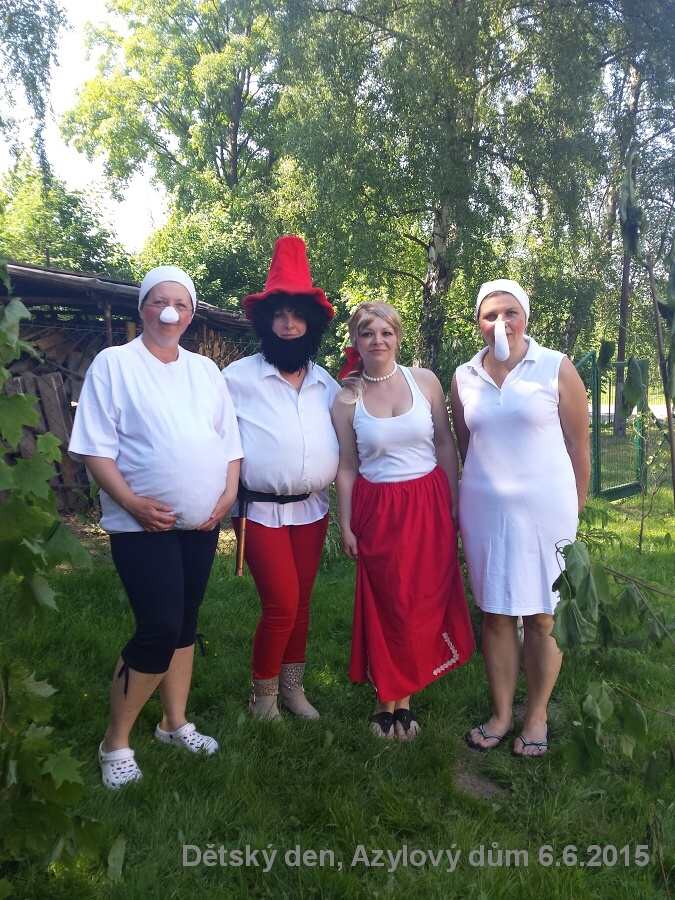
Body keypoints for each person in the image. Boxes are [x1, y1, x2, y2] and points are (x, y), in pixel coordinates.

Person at [69, 265, 242, 789]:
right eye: (159, 302)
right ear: (142, 307)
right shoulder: (115, 364)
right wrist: (131, 503)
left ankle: (173, 723)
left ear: (191, 314)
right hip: (140, 525)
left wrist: (227, 495)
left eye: (181, 304)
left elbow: (229, 443)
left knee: (185, 622)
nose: (170, 312)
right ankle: (115, 742)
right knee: (159, 627)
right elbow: (95, 447)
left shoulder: (205, 371)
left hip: (201, 523)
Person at [451, 278, 590, 757]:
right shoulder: (464, 375)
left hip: (546, 511)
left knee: (542, 616)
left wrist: (576, 505)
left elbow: (578, 445)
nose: (501, 322)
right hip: (485, 511)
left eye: (510, 312)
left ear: (525, 317)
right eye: (489, 315)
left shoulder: (555, 366)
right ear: (478, 323)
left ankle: (536, 715)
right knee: (495, 613)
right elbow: (467, 444)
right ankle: (501, 713)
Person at [332, 302, 474, 741]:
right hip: (378, 510)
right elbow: (347, 466)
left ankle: (405, 698)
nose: (377, 340)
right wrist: (346, 523)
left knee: (420, 599)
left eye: (386, 332)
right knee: (388, 602)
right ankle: (384, 699)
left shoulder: (425, 381)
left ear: (398, 336)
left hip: (427, 503)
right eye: (367, 333)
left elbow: (446, 444)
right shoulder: (346, 399)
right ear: (356, 341)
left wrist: (452, 500)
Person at [223, 235, 339, 721]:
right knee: (282, 604)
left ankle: (293, 689)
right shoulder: (236, 379)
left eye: (298, 316)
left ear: (311, 323)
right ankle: (264, 697)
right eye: (280, 315)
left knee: (303, 603)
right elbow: (215, 443)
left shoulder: (326, 383)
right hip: (260, 511)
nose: (289, 324)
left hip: (312, 509)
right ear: (266, 322)